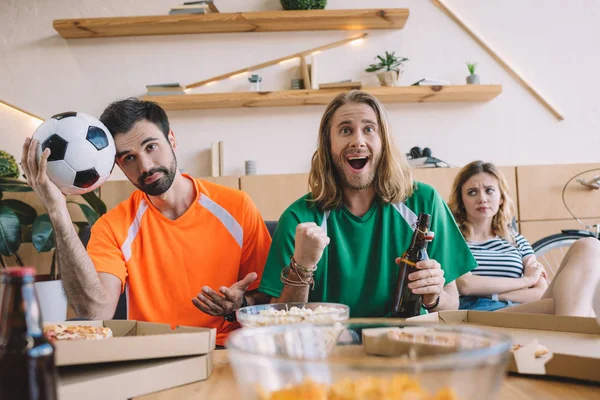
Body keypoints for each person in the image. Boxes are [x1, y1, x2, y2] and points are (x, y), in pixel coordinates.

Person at [21, 98, 271, 346]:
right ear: (117, 164)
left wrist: (241, 304)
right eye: (129, 158)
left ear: (171, 139)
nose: (146, 166)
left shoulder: (236, 206)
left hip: (225, 349)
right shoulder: (112, 227)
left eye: (151, 147)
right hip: (151, 352)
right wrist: (57, 210)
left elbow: (271, 297)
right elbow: (96, 312)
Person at [258, 90, 478, 316]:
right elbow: (282, 318)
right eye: (345, 130)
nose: (358, 141)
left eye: (369, 129)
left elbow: (452, 302)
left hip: (406, 342)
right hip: (331, 343)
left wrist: (433, 297)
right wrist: (302, 268)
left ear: (383, 141)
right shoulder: (298, 219)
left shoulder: (425, 202)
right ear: (328, 144)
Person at [449, 160, 600, 316]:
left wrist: (495, 294)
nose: (482, 198)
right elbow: (466, 285)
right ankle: (570, 336)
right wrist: (525, 282)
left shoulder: (517, 241)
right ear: (461, 201)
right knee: (580, 307)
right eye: (472, 192)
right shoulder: (453, 240)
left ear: (501, 197)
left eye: (489, 190)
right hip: (477, 312)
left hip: (518, 310)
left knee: (589, 245)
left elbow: (540, 291)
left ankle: (569, 335)